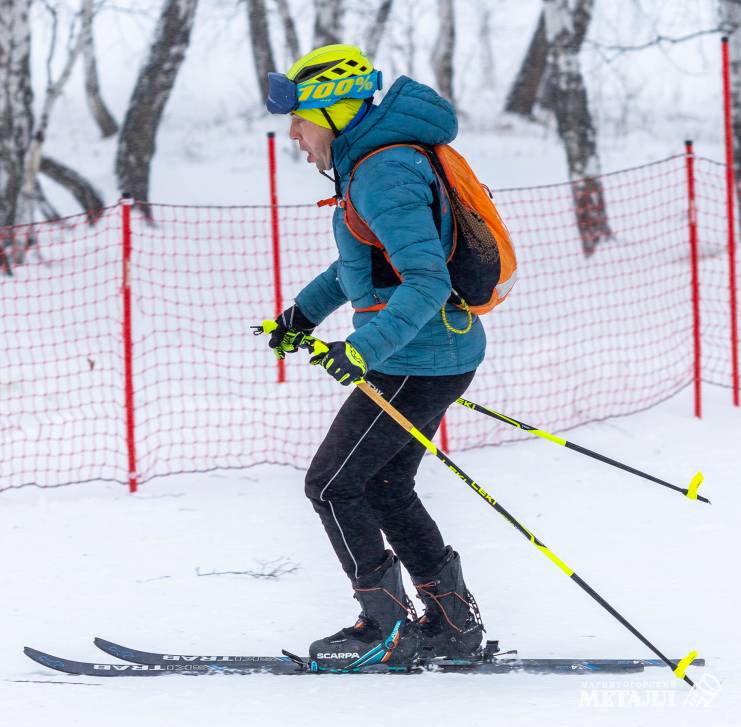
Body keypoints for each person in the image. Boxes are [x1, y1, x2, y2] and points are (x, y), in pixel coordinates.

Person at [264, 44, 486, 671]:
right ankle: (451, 623)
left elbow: (425, 282)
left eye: (301, 125)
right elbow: (360, 263)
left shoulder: (384, 171)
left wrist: (361, 348)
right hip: (426, 350)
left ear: (332, 111)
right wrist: (301, 316)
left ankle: (383, 628)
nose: (299, 143)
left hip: (419, 354)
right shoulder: (370, 164)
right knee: (383, 484)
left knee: (332, 485)